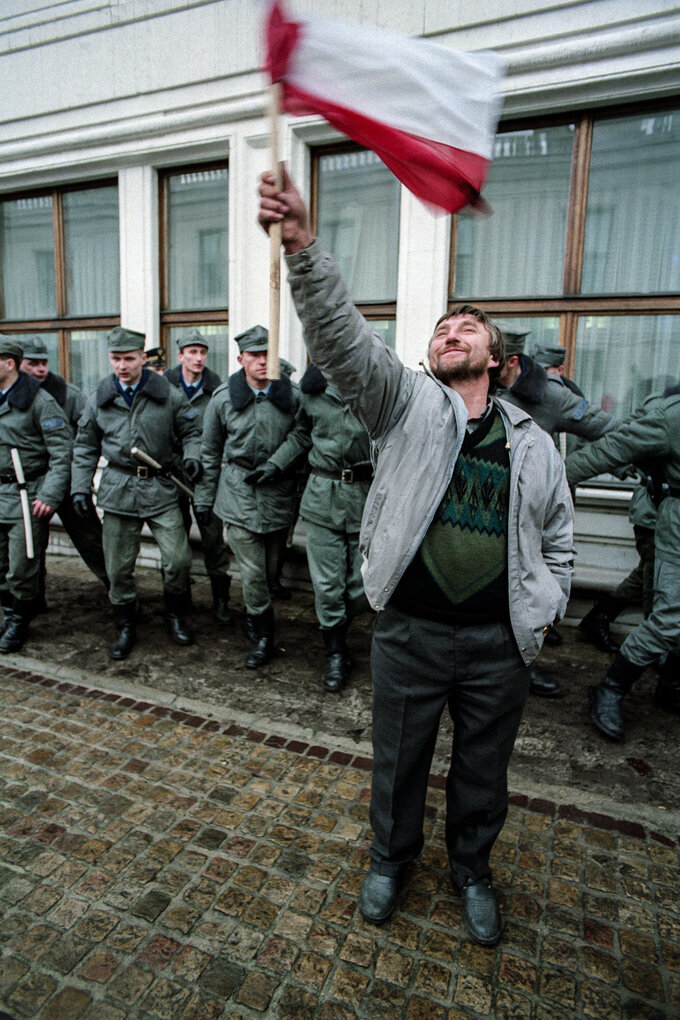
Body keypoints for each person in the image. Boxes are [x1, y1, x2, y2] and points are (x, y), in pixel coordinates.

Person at [257, 169, 573, 946]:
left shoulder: (534, 443)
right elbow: (341, 337)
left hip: (499, 645)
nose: (451, 332)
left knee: (482, 771)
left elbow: (559, 538)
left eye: (469, 328)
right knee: (398, 761)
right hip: (411, 634)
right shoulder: (402, 404)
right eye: (442, 327)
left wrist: (544, 603)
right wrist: (301, 243)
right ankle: (390, 859)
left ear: (498, 361)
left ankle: (473, 869)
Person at [71, 327, 203, 659]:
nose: (122, 366)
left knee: (178, 559)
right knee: (117, 569)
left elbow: (192, 431)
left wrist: (192, 457)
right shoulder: (100, 398)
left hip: (160, 485)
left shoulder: (168, 394)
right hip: (117, 489)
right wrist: (79, 489)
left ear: (143, 358)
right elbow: (85, 446)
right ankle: (126, 625)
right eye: (116, 359)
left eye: (129, 358)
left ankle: (174, 614)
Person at [497, 326, 614, 694]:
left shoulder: (550, 395)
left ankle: (522, 668)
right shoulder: (472, 385)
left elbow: (611, 432)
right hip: (477, 512)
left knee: (525, 593)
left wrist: (565, 473)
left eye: (494, 362)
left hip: (527, 519)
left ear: (512, 361)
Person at [566, 388, 680, 738]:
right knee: (670, 616)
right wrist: (537, 482)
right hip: (675, 521)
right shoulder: (670, 415)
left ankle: (671, 685)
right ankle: (611, 688)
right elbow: (607, 451)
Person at [194, 326, 310, 669]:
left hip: (278, 491)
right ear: (240, 359)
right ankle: (263, 634)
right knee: (253, 572)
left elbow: (304, 433)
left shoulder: (292, 394)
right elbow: (210, 451)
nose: (262, 361)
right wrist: (203, 500)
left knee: (272, 567)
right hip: (238, 490)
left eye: (267, 354)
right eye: (254, 355)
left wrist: (278, 463)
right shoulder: (222, 400)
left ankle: (257, 613)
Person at [297, 361, 372, 691]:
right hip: (321, 499)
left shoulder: (375, 391)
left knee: (361, 584)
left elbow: (397, 436)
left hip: (364, 497)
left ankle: (342, 629)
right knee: (327, 586)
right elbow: (300, 435)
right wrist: (274, 465)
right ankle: (336, 652)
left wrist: (378, 461)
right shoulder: (310, 394)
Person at [19, 336, 108, 602]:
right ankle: (32, 601)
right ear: (16, 364)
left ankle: (119, 592)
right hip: (32, 482)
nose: (41, 369)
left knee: (91, 540)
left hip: (68, 479)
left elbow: (88, 436)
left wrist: (81, 482)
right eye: (33, 363)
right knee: (30, 545)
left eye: (44, 362)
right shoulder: (12, 397)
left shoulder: (69, 395)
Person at [0, 335, 73, 653]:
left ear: (9, 363)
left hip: (25, 495)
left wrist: (49, 495)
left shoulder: (40, 402)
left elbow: (62, 452)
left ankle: (19, 622)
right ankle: (8, 614)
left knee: (22, 565)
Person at [164, 329, 233, 624]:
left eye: (202, 352)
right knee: (174, 540)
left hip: (207, 476)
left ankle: (221, 601)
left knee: (213, 539)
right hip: (171, 476)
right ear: (180, 356)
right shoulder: (163, 388)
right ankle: (180, 600)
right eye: (192, 352)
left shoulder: (218, 390)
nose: (198, 358)